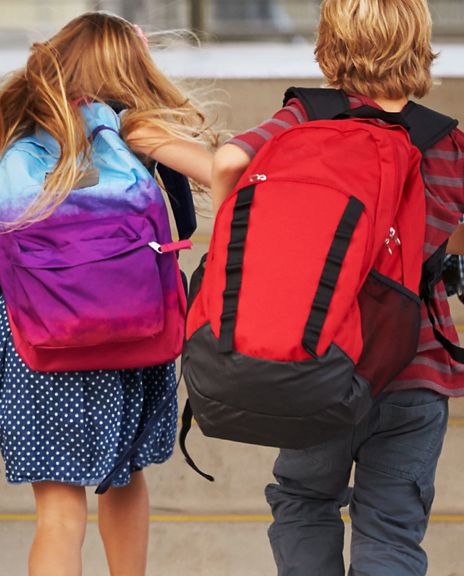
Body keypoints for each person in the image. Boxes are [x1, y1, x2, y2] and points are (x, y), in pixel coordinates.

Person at [0, 13, 214, 576]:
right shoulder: (135, 129)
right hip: (131, 329)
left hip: (35, 340)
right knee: (125, 477)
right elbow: (220, 173)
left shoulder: (25, 137)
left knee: (59, 514)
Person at [212, 0, 464, 573]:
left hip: (318, 361)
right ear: (420, 45)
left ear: (329, 45)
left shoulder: (307, 119)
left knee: (304, 501)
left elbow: (228, 163)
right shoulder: (447, 144)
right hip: (415, 371)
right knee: (393, 528)